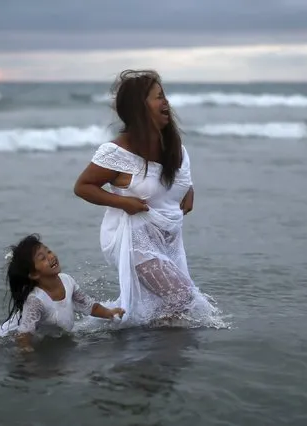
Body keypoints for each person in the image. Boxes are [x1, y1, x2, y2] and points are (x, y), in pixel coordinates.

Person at [73, 69, 217, 325]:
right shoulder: (116, 152)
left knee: (169, 303)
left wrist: (189, 190)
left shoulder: (175, 148)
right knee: (182, 295)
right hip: (132, 237)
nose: (166, 103)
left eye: (165, 96)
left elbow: (180, 177)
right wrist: (122, 202)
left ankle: (151, 348)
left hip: (167, 235)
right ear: (139, 107)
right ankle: (157, 348)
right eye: (158, 97)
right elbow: (83, 186)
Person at [0, 234, 125, 352]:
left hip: (49, 333)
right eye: (43, 258)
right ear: (34, 274)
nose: (51, 256)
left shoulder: (67, 281)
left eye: (48, 251)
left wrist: (109, 313)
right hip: (8, 336)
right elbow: (23, 337)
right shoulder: (36, 301)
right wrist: (29, 361)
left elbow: (90, 305)